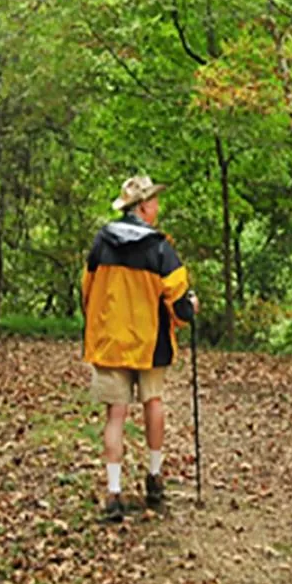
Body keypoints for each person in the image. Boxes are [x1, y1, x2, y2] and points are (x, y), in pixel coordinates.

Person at [81, 174, 197, 524]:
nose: (157, 206)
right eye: (154, 201)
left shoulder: (101, 243)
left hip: (111, 342)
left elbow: (87, 289)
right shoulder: (160, 247)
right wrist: (189, 310)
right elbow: (178, 300)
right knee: (153, 402)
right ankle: (155, 476)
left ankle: (113, 492)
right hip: (151, 342)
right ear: (143, 206)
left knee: (115, 415)